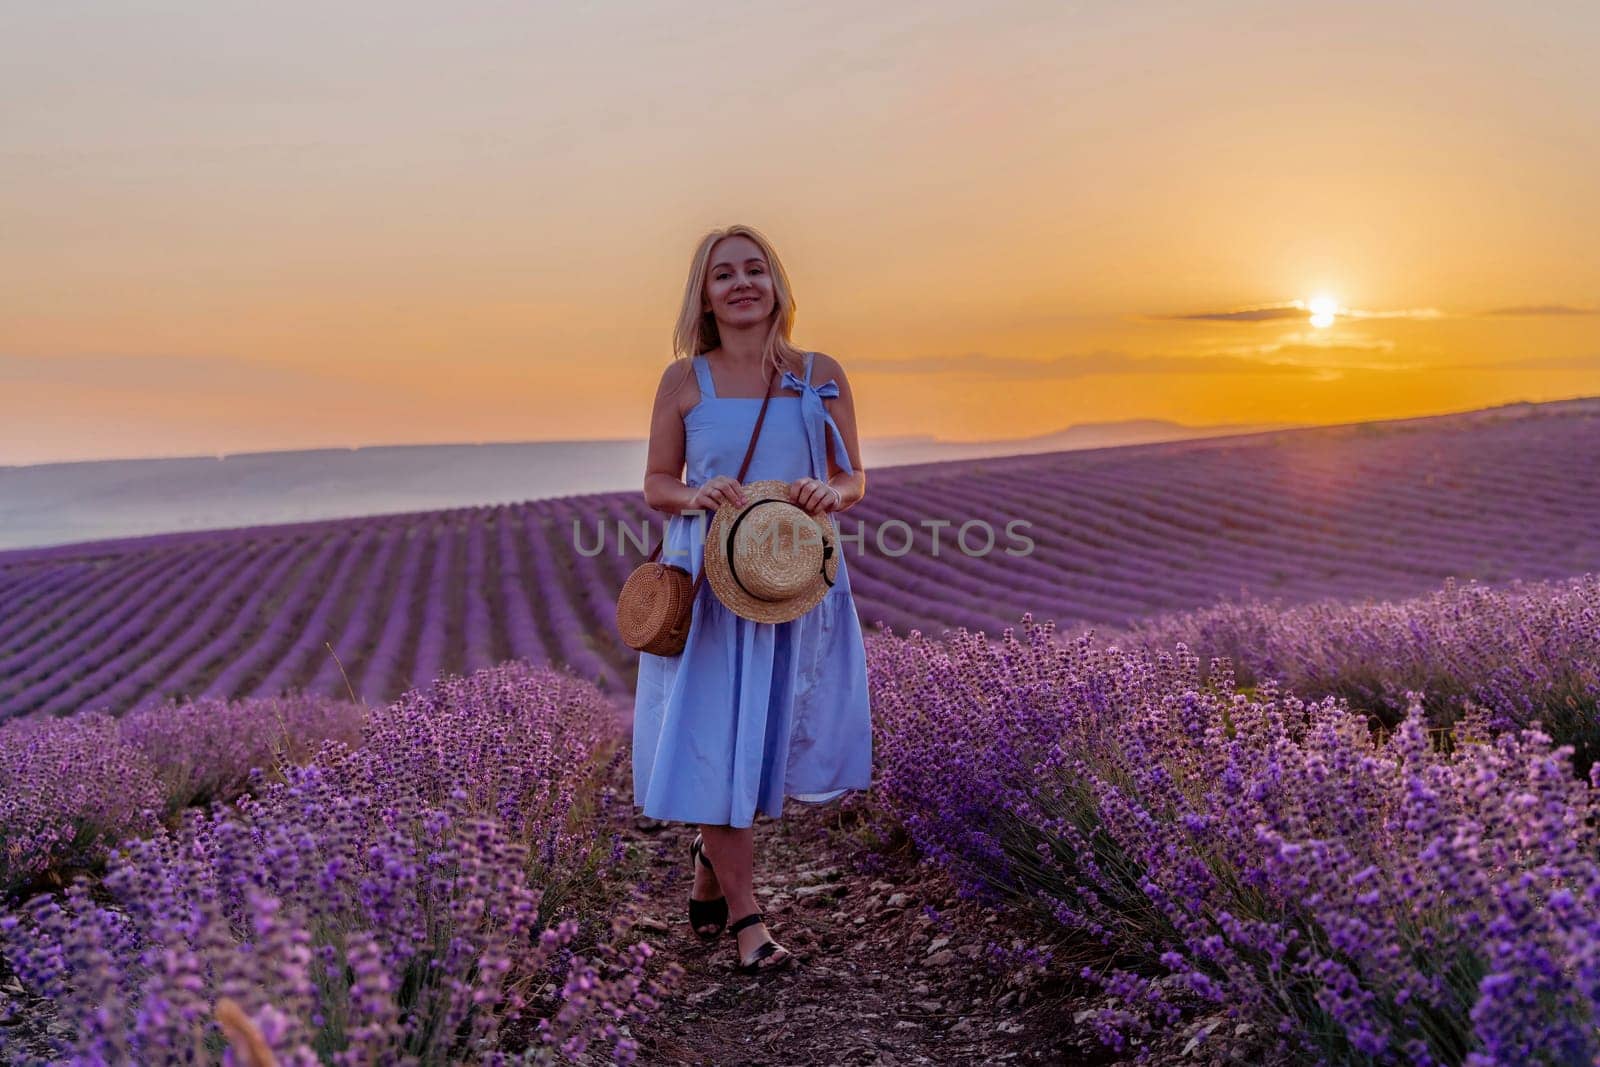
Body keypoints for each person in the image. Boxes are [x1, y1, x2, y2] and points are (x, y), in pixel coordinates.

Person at [633, 224, 873, 975]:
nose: (742, 283)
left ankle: (711, 854)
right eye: (724, 274)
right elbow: (654, 484)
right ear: (703, 296)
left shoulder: (818, 372)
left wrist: (826, 490)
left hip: (789, 573)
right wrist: (693, 492)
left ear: (777, 284)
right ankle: (748, 917)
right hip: (708, 578)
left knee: (761, 739)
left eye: (754, 270)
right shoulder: (683, 380)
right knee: (715, 737)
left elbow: (854, 476)